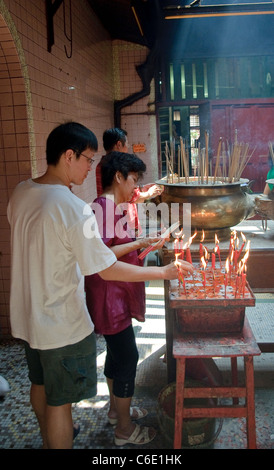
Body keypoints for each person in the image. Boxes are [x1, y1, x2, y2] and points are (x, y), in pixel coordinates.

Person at [7, 122, 192, 449]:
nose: (91, 167)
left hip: (27, 315)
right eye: (88, 160)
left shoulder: (22, 192)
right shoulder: (74, 208)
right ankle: (63, 434)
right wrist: (164, 274)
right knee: (60, 403)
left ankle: (50, 435)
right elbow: (104, 268)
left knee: (40, 383)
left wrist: (141, 240)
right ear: (68, 156)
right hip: (58, 321)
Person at [85, 151, 192, 446]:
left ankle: (115, 410)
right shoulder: (102, 208)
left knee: (117, 354)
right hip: (110, 296)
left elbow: (122, 249)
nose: (136, 187)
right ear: (118, 176)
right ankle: (124, 429)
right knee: (128, 357)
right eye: (134, 179)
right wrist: (142, 244)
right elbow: (103, 256)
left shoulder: (114, 206)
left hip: (116, 293)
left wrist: (146, 243)